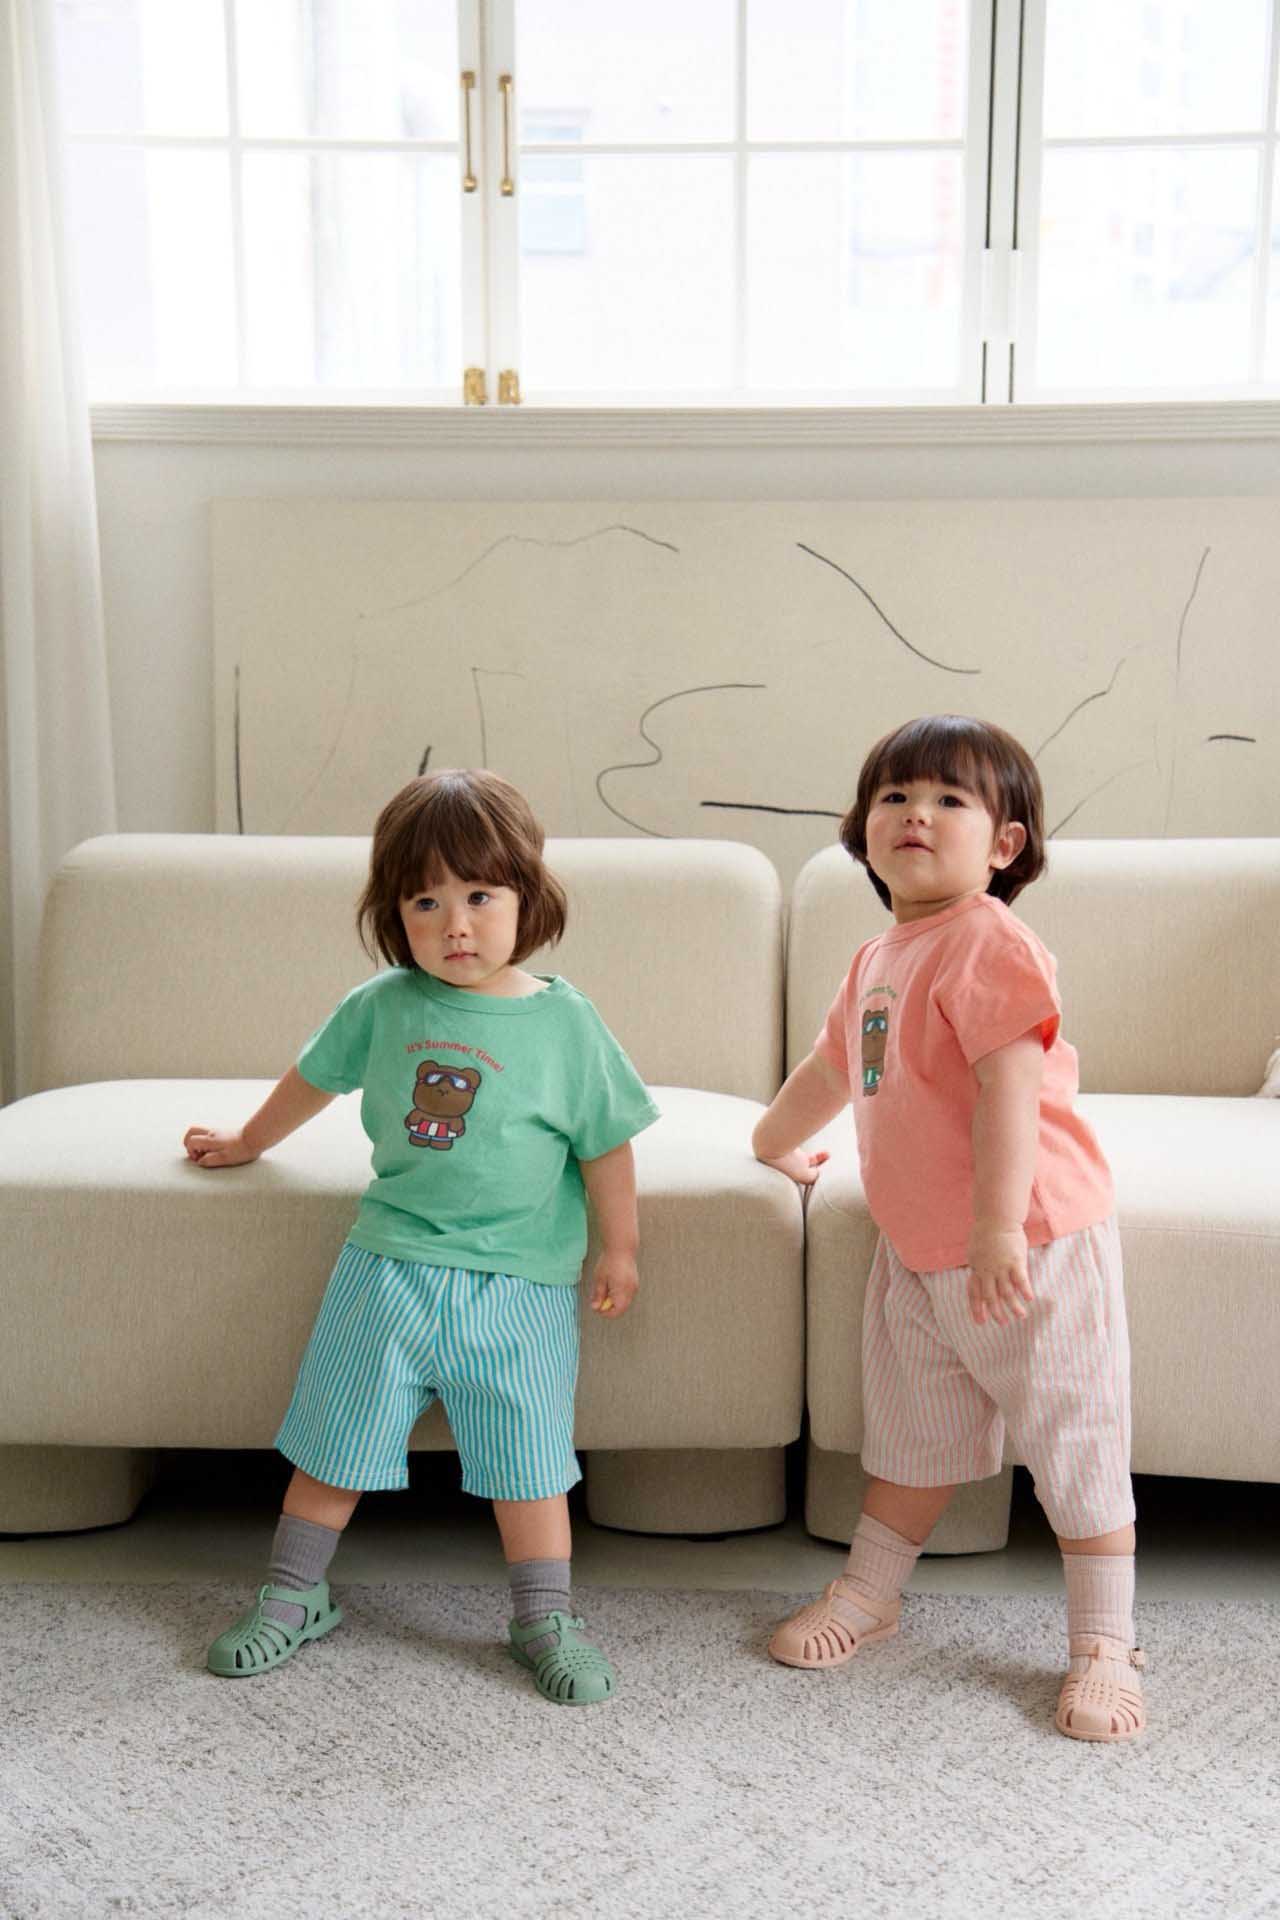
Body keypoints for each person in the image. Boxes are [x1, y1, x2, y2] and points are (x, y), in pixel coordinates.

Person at [186, 769, 659, 1705]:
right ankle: (293, 1592)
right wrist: (248, 1140)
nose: (455, 925)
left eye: (480, 896)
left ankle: (543, 1617)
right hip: (389, 1266)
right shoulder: (384, 1005)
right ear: (393, 912)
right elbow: (312, 1078)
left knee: (529, 1461)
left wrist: (621, 1248)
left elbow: (606, 1142)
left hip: (519, 1283)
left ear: (526, 897)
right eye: (425, 902)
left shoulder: (565, 1022)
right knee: (335, 1438)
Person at [753, 715, 1144, 1742]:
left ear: (1003, 844)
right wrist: (769, 1142)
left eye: (947, 799)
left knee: (1073, 1443)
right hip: (920, 1250)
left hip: (1029, 1244)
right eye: (894, 797)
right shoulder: (875, 957)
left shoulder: (988, 942)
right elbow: (832, 1070)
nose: (915, 814)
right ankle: (870, 1592)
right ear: (862, 830)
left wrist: (996, 1228)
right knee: (912, 1437)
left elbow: (1011, 1089)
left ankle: (1104, 1642)